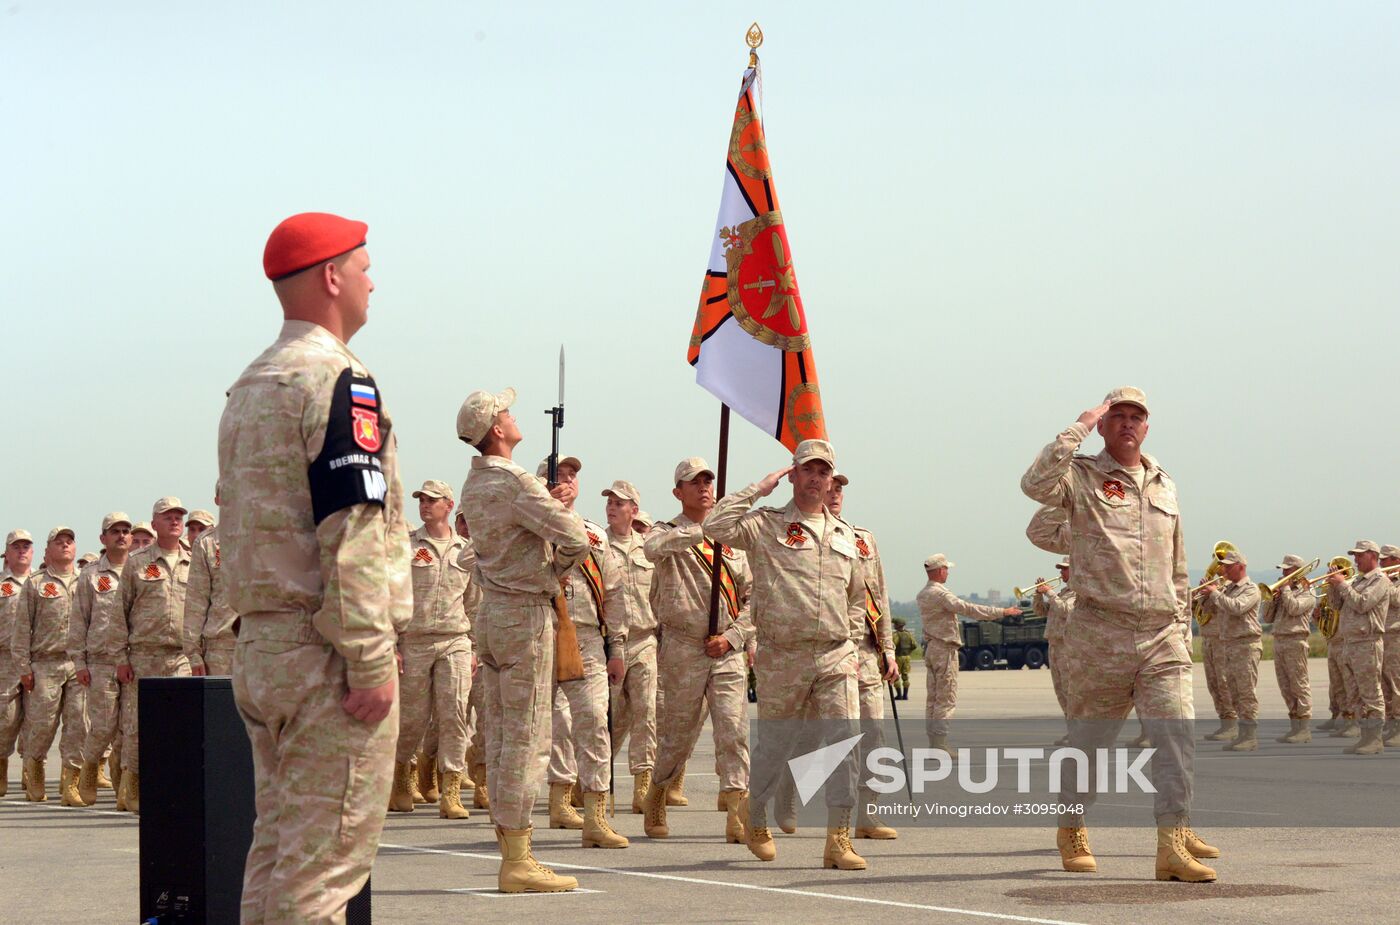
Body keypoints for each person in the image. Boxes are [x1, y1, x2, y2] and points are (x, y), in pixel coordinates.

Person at [218, 212, 410, 921]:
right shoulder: (339, 380)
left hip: (264, 647)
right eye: (364, 267)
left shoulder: (249, 385)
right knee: (323, 871)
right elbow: (351, 528)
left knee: (277, 858)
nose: (371, 280)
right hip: (325, 655)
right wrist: (369, 657)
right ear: (332, 277)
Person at [1021, 387, 1217, 882]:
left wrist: (1180, 618)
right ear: (1105, 426)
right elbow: (1034, 484)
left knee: (1175, 737)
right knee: (1089, 742)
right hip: (1099, 634)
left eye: (1137, 417)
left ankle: (1171, 845)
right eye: (1118, 416)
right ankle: (1071, 824)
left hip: (1160, 635)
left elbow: (1178, 560)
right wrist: (1079, 424)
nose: (1127, 423)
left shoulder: (1164, 483)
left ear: (1147, 427)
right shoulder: (1082, 476)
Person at [706, 439, 868, 871]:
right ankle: (755, 815)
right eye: (807, 470)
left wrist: (851, 643)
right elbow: (715, 526)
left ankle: (839, 839)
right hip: (783, 657)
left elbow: (856, 597)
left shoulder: (847, 536)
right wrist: (759, 488)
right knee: (774, 748)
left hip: (835, 657)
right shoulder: (766, 524)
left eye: (823, 472)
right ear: (792, 474)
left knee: (843, 744)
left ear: (831, 479)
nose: (816, 479)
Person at [457, 386, 587, 892]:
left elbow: (515, 527)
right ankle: (518, 858)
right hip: (526, 614)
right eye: (506, 412)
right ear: (495, 429)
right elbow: (573, 538)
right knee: (528, 740)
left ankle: (511, 848)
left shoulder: (476, 484)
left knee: (500, 732)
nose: (513, 417)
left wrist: (542, 503)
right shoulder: (515, 481)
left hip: (491, 614)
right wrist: (555, 571)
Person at [640, 457, 753, 847]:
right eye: (694, 482)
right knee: (678, 733)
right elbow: (651, 549)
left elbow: (755, 597)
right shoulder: (665, 532)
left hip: (727, 648)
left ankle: (739, 809)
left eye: (708, 480)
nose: (704, 487)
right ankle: (657, 792)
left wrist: (736, 637)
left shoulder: (734, 540)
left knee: (734, 729)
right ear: (678, 492)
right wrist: (698, 532)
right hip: (683, 647)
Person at [540, 457, 629, 848]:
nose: (568, 481)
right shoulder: (529, 528)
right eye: (559, 476)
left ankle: (595, 816)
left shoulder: (595, 534)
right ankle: (555, 802)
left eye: (573, 475)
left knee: (593, 720)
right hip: (539, 633)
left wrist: (617, 648)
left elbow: (614, 592)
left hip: (588, 638)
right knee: (545, 726)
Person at [390, 480, 474, 820]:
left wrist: (477, 649)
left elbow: (475, 603)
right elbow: (392, 596)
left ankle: (451, 790)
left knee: (455, 715)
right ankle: (399, 778)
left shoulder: (465, 550)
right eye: (422, 499)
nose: (425, 505)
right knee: (412, 718)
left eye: (433, 500)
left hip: (455, 639)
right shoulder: (406, 547)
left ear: (449, 505)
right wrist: (393, 644)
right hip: (415, 640)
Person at [827, 472, 900, 840]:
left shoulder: (863, 540)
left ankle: (868, 814)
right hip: (825, 653)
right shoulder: (801, 538)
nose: (835, 492)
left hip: (866, 653)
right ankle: (787, 795)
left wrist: (888, 648)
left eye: (840, 488)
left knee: (874, 734)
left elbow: (880, 594)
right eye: (830, 486)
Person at [117, 497, 193, 813]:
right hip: (144, 656)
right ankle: (132, 785)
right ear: (154, 522)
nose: (175, 521)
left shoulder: (194, 560)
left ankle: (173, 786)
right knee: (138, 726)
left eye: (178, 516)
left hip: (182, 656)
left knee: (181, 726)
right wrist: (121, 657)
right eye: (168, 516)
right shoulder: (137, 562)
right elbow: (119, 612)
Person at [14, 527, 86, 804]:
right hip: (45, 663)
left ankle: (71, 784)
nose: (66, 546)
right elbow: (21, 628)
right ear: (48, 550)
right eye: (60, 542)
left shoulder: (86, 580)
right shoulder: (35, 583)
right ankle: (34, 774)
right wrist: (23, 666)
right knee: (41, 725)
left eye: (70, 541)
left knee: (79, 723)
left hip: (77, 663)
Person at [917, 554, 1018, 750]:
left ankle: (934, 742)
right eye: (946, 569)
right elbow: (969, 609)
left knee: (933, 698)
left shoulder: (923, 594)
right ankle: (940, 743)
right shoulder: (941, 594)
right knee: (946, 698)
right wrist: (1002, 612)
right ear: (939, 571)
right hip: (944, 649)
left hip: (931, 648)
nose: (948, 572)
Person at [602, 479, 660, 814]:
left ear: (634, 510)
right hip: (609, 645)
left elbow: (661, 593)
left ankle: (642, 784)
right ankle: (592, 779)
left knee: (646, 712)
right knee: (608, 719)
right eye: (609, 502)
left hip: (643, 640)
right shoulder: (598, 545)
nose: (612, 507)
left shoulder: (648, 549)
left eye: (620, 503)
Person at [70, 512, 133, 805]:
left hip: (133, 660)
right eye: (115, 531)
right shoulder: (91, 575)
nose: (121, 535)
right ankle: (90, 766)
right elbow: (79, 621)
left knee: (130, 726)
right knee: (105, 725)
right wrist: (79, 663)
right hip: (100, 660)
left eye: (125, 530)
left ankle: (127, 787)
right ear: (103, 539)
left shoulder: (139, 569)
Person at [1325, 540, 1392, 756]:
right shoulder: (1357, 581)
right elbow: (1337, 606)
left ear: (1373, 555)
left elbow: (1363, 603)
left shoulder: (1380, 580)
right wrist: (1333, 586)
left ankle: (1375, 739)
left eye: (1360, 555)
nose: (1356, 560)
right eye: (1355, 555)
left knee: (1371, 693)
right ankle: (1365, 736)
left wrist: (1343, 585)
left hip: (1367, 642)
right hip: (1350, 643)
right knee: (1354, 695)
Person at [1198, 548, 1262, 751]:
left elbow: (1237, 608)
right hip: (1229, 645)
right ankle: (1241, 733)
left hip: (1245, 645)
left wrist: (1215, 593)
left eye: (1227, 566)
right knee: (1233, 692)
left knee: (1245, 693)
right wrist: (1205, 596)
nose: (1222, 569)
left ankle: (1249, 735)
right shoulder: (1227, 589)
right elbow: (1207, 611)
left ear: (1240, 566)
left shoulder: (1251, 589)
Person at [1263, 554, 1316, 744]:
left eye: (1287, 569)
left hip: (1296, 640)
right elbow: (1267, 617)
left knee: (1299, 685)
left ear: (1297, 571)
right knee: (1285, 686)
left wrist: (1284, 590)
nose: (1283, 572)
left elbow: (1295, 608)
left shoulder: (1308, 591)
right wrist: (1272, 598)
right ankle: (1294, 725)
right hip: (1279, 640)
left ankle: (1304, 728)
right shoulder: (1283, 592)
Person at [184, 489, 237, 677]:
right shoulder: (206, 543)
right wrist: (194, 654)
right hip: (220, 649)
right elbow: (196, 601)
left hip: (260, 645)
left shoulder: (263, 537)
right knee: (221, 706)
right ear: (217, 499)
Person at [1, 529, 35, 797]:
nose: (22, 550)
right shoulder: (2, 585)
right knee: (7, 719)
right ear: (7, 553)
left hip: (38, 660)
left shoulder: (41, 582)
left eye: (26, 546)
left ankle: (31, 772)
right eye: (16, 547)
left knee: (37, 720)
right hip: (6, 661)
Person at [1031, 558, 1075, 744]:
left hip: (1067, 646)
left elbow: (1066, 610)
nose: (1061, 573)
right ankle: (1072, 731)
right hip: (1055, 645)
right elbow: (1041, 611)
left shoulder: (1078, 593)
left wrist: (1049, 592)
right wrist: (1038, 595)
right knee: (1061, 691)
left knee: (1070, 690)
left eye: (1065, 569)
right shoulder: (1063, 592)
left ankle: (1079, 732)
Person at [1380, 545, 1400, 747]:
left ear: (1396, 561)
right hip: (1381, 635)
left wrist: (1385, 582)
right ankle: (1390, 724)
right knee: (1385, 684)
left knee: (1396, 684)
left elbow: (1396, 599)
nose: (1381, 564)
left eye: (1385, 560)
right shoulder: (1387, 580)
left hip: (1396, 636)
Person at [892, 618, 917, 700]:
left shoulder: (896, 635)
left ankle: (899, 695)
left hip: (898, 656)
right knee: (905, 676)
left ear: (897, 625)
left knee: (896, 675)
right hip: (907, 657)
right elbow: (914, 645)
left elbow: (893, 645)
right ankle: (905, 695)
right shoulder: (909, 634)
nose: (893, 625)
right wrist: (908, 652)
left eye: (895, 624)